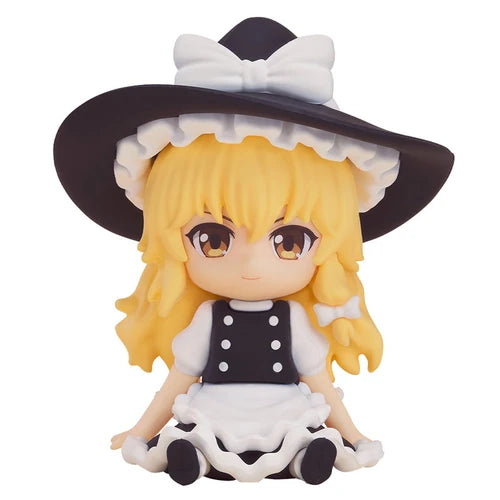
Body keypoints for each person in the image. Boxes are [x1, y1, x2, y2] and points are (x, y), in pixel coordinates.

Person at [53, 17, 453, 485]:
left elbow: (320, 385)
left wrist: (354, 435)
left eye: (289, 241)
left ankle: (310, 454)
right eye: (213, 239)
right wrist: (141, 432)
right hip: (215, 407)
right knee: (198, 434)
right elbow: (177, 382)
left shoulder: (295, 322)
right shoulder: (207, 320)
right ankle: (191, 453)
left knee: (301, 433)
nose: (250, 262)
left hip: (283, 407)